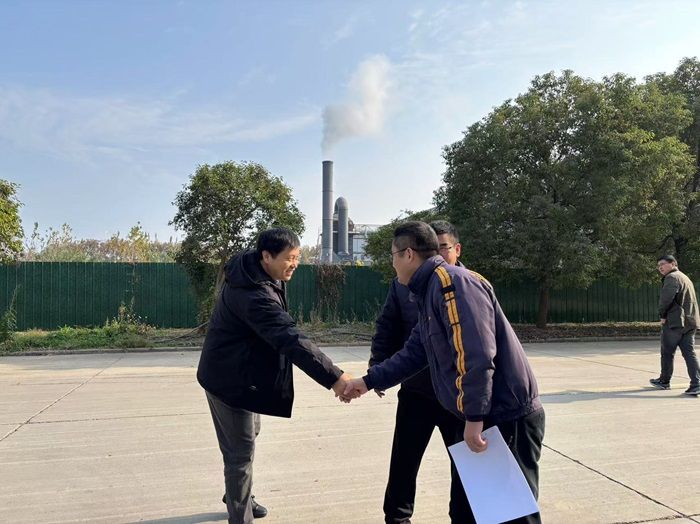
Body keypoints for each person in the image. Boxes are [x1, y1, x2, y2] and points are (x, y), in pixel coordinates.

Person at [345, 221, 545, 524]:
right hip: (482, 410)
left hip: (507, 414)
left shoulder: (453, 286)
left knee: (512, 516)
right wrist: (369, 381)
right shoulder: (430, 290)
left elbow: (477, 356)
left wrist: (474, 418)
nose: (393, 264)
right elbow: (416, 351)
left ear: (408, 254)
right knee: (491, 513)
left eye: (393, 256)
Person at [197, 227, 355, 523]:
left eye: (297, 257)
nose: (294, 264)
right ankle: (239, 513)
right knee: (240, 454)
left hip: (243, 374)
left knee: (249, 435)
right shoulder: (253, 294)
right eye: (289, 258)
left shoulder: (259, 271)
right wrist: (336, 378)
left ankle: (237, 493)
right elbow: (289, 337)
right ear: (267, 256)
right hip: (229, 381)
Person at [370, 220, 469, 523]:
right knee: (403, 463)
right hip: (417, 392)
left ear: (456, 249)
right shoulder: (404, 286)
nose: (437, 255)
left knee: (467, 470)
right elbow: (388, 327)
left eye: (443, 248)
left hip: (457, 398)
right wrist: (378, 368)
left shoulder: (467, 286)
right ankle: (397, 518)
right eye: (432, 248)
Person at [649, 255, 700, 396]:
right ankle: (696, 384)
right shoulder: (684, 277)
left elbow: (666, 299)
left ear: (673, 263)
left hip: (675, 322)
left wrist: (663, 315)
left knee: (667, 352)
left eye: (663, 264)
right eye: (658, 265)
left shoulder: (671, 278)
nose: (660, 267)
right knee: (689, 353)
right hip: (690, 321)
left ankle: (664, 381)